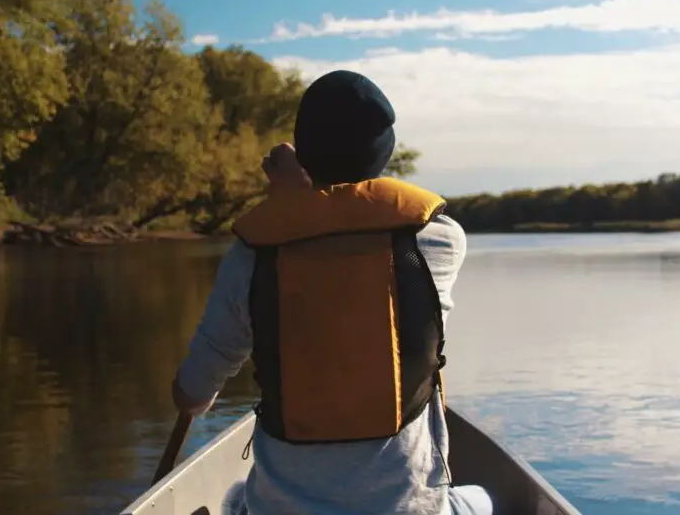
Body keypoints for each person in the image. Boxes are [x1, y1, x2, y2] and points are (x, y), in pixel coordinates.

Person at [171, 70, 493, 515]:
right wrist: (302, 195)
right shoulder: (438, 240)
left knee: (232, 500)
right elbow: (346, 232)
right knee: (484, 499)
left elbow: (192, 396)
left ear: (304, 154)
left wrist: (293, 199)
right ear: (384, 153)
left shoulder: (254, 254)